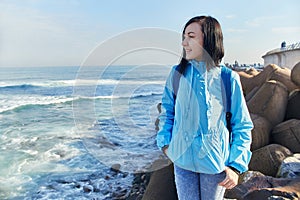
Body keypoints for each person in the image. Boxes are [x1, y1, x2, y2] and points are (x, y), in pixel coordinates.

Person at [156, 16, 253, 200]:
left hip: (215, 165)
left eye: (191, 36)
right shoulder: (177, 74)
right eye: (183, 37)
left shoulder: (227, 78)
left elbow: (242, 125)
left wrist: (235, 166)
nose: (184, 43)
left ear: (208, 38)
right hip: (182, 163)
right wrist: (166, 145)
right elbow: (167, 112)